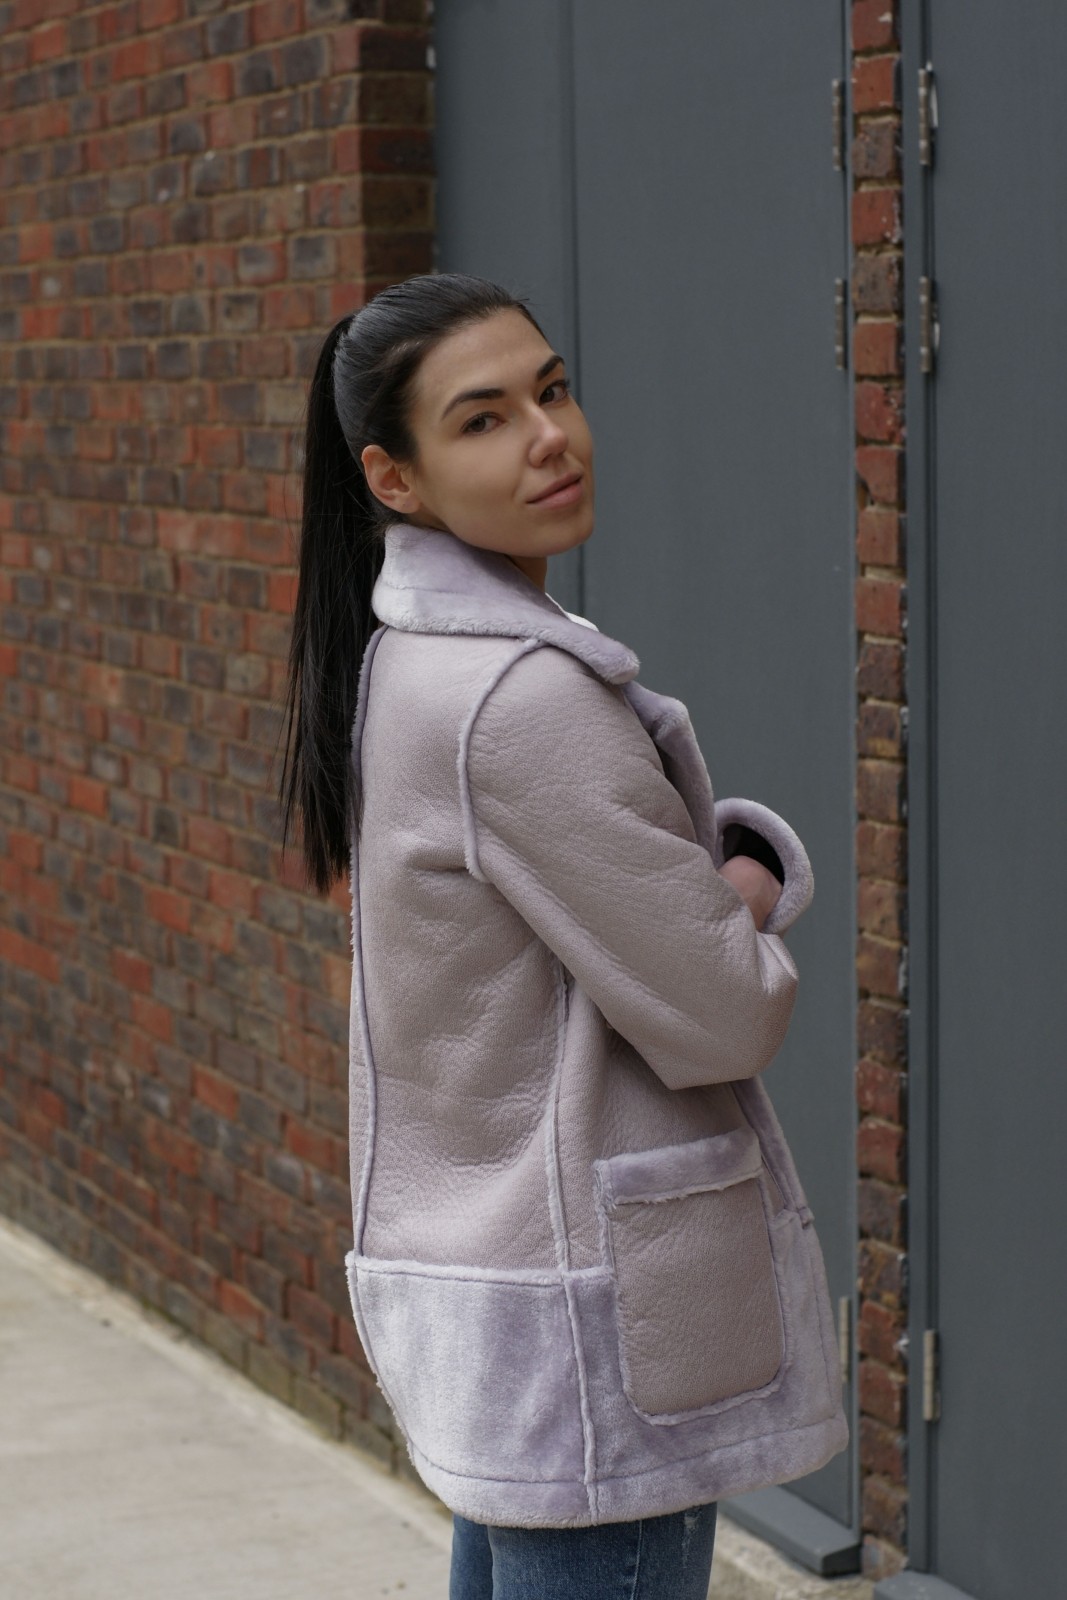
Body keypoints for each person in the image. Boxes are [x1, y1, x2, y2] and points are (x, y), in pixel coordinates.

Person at [279, 273, 847, 1599]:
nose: (549, 436)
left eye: (553, 389)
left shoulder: (401, 664)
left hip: (505, 1310)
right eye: (482, 420)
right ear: (395, 478)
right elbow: (721, 1012)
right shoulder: (519, 699)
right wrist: (750, 878)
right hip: (592, 1344)